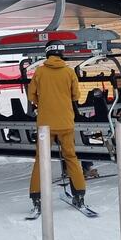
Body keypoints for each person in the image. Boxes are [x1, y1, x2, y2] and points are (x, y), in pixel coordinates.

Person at [27, 43, 87, 210]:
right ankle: (79, 194)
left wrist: (42, 104)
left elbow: (31, 94)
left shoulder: (39, 71)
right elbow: (76, 95)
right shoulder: (69, 71)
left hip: (45, 124)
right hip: (66, 122)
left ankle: (36, 197)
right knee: (71, 157)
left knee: (41, 159)